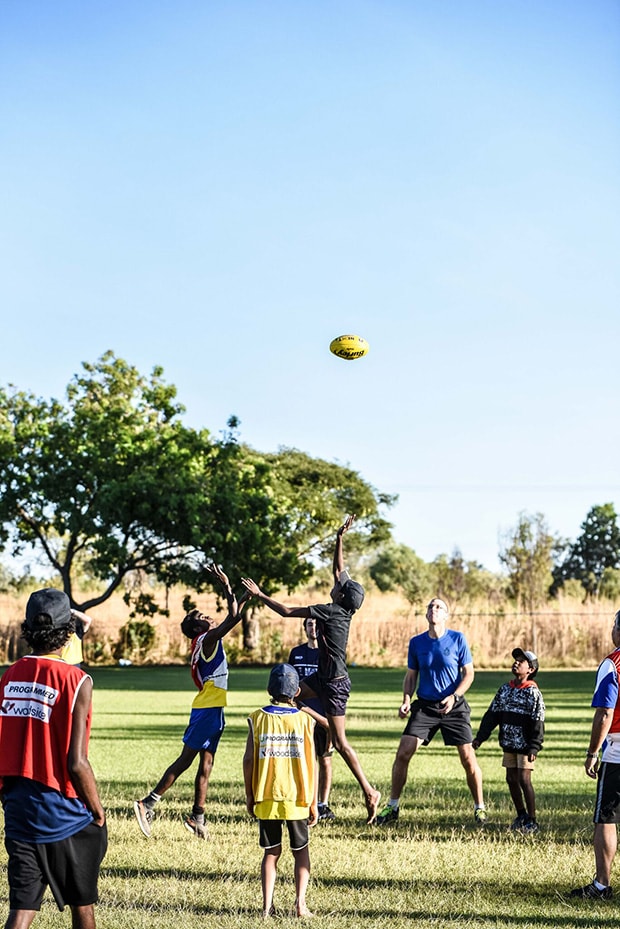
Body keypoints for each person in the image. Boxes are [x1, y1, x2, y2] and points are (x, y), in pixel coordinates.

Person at [242, 516, 382, 825]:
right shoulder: (344, 604)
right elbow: (338, 569)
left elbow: (288, 611)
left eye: (340, 586)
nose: (337, 582)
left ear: (341, 596)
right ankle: (295, 727)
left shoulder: (331, 612)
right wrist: (338, 537)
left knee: (340, 743)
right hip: (324, 677)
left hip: (334, 684)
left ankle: (370, 792)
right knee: (289, 694)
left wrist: (260, 594)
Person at [0, 587, 107, 929]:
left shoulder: (8, 676)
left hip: (18, 812)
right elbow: (77, 763)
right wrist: (97, 810)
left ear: (28, 630)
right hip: (64, 814)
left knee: (21, 910)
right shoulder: (77, 680)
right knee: (83, 907)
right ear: (67, 632)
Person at [133, 565, 248, 839]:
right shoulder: (206, 639)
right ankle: (147, 803)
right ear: (198, 626)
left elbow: (235, 613)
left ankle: (198, 817)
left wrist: (247, 593)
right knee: (186, 759)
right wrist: (227, 585)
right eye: (204, 616)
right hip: (208, 708)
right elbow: (234, 618)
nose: (210, 616)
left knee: (206, 764)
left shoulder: (204, 640)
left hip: (213, 707)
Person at [375, 596, 486, 826]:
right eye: (431, 607)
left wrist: (454, 697)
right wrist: (406, 699)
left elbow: (469, 674)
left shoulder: (458, 639)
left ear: (446, 615)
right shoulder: (416, 643)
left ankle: (479, 808)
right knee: (403, 752)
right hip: (425, 706)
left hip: (453, 706)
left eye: (439, 607)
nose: (434, 610)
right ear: (426, 615)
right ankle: (393, 807)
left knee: (467, 758)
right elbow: (411, 676)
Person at [243, 663, 317, 918]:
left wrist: (250, 794)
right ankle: (300, 905)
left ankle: (266, 908)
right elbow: (312, 763)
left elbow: (249, 759)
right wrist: (314, 801)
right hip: (298, 796)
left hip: (266, 794)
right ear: (297, 691)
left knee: (271, 852)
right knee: (301, 852)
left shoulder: (257, 718)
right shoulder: (306, 720)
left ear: (268, 689)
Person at [570, 609, 620, 900]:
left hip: (616, 750)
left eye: (614, 624)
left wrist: (592, 752)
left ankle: (602, 884)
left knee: (607, 818)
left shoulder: (612, 664)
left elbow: (605, 712)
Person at [472, 647, 545, 834]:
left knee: (524, 779)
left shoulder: (533, 693)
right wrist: (480, 738)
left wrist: (534, 746)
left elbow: (538, 720)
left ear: (530, 669)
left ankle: (532, 819)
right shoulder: (505, 689)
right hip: (509, 743)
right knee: (511, 779)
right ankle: (520, 815)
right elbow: (492, 715)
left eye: (522, 661)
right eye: (516, 660)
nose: (516, 663)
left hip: (525, 745)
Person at [288, 617, 335, 822]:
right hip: (300, 717)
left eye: (316, 624)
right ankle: (306, 801)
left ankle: (323, 804)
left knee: (325, 759)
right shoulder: (296, 653)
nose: (313, 627)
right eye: (309, 624)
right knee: (305, 761)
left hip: (324, 715)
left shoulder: (328, 654)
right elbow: (289, 685)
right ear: (304, 628)